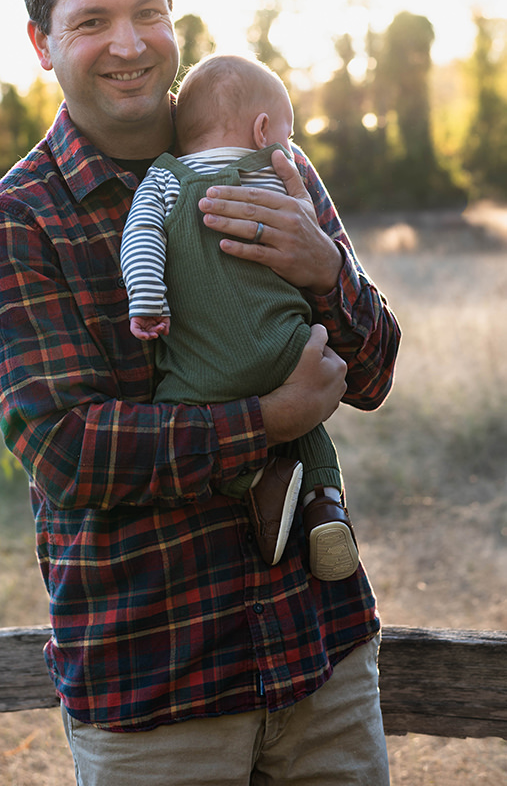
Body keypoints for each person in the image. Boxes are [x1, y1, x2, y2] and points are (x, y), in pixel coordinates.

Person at [0, 0, 400, 785]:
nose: (129, 44)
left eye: (147, 12)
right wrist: (268, 421)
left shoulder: (265, 153)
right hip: (157, 693)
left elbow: (374, 371)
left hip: (321, 661)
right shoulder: (16, 225)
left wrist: (324, 270)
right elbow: (67, 448)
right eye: (91, 21)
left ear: (173, 17)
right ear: (41, 42)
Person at [120, 53, 359, 581]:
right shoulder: (282, 175)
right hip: (288, 350)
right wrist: (325, 264)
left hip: (200, 373)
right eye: (288, 134)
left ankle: (253, 480)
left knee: (178, 405)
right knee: (310, 421)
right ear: (262, 130)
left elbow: (139, 239)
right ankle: (326, 505)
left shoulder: (164, 178)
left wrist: (148, 301)